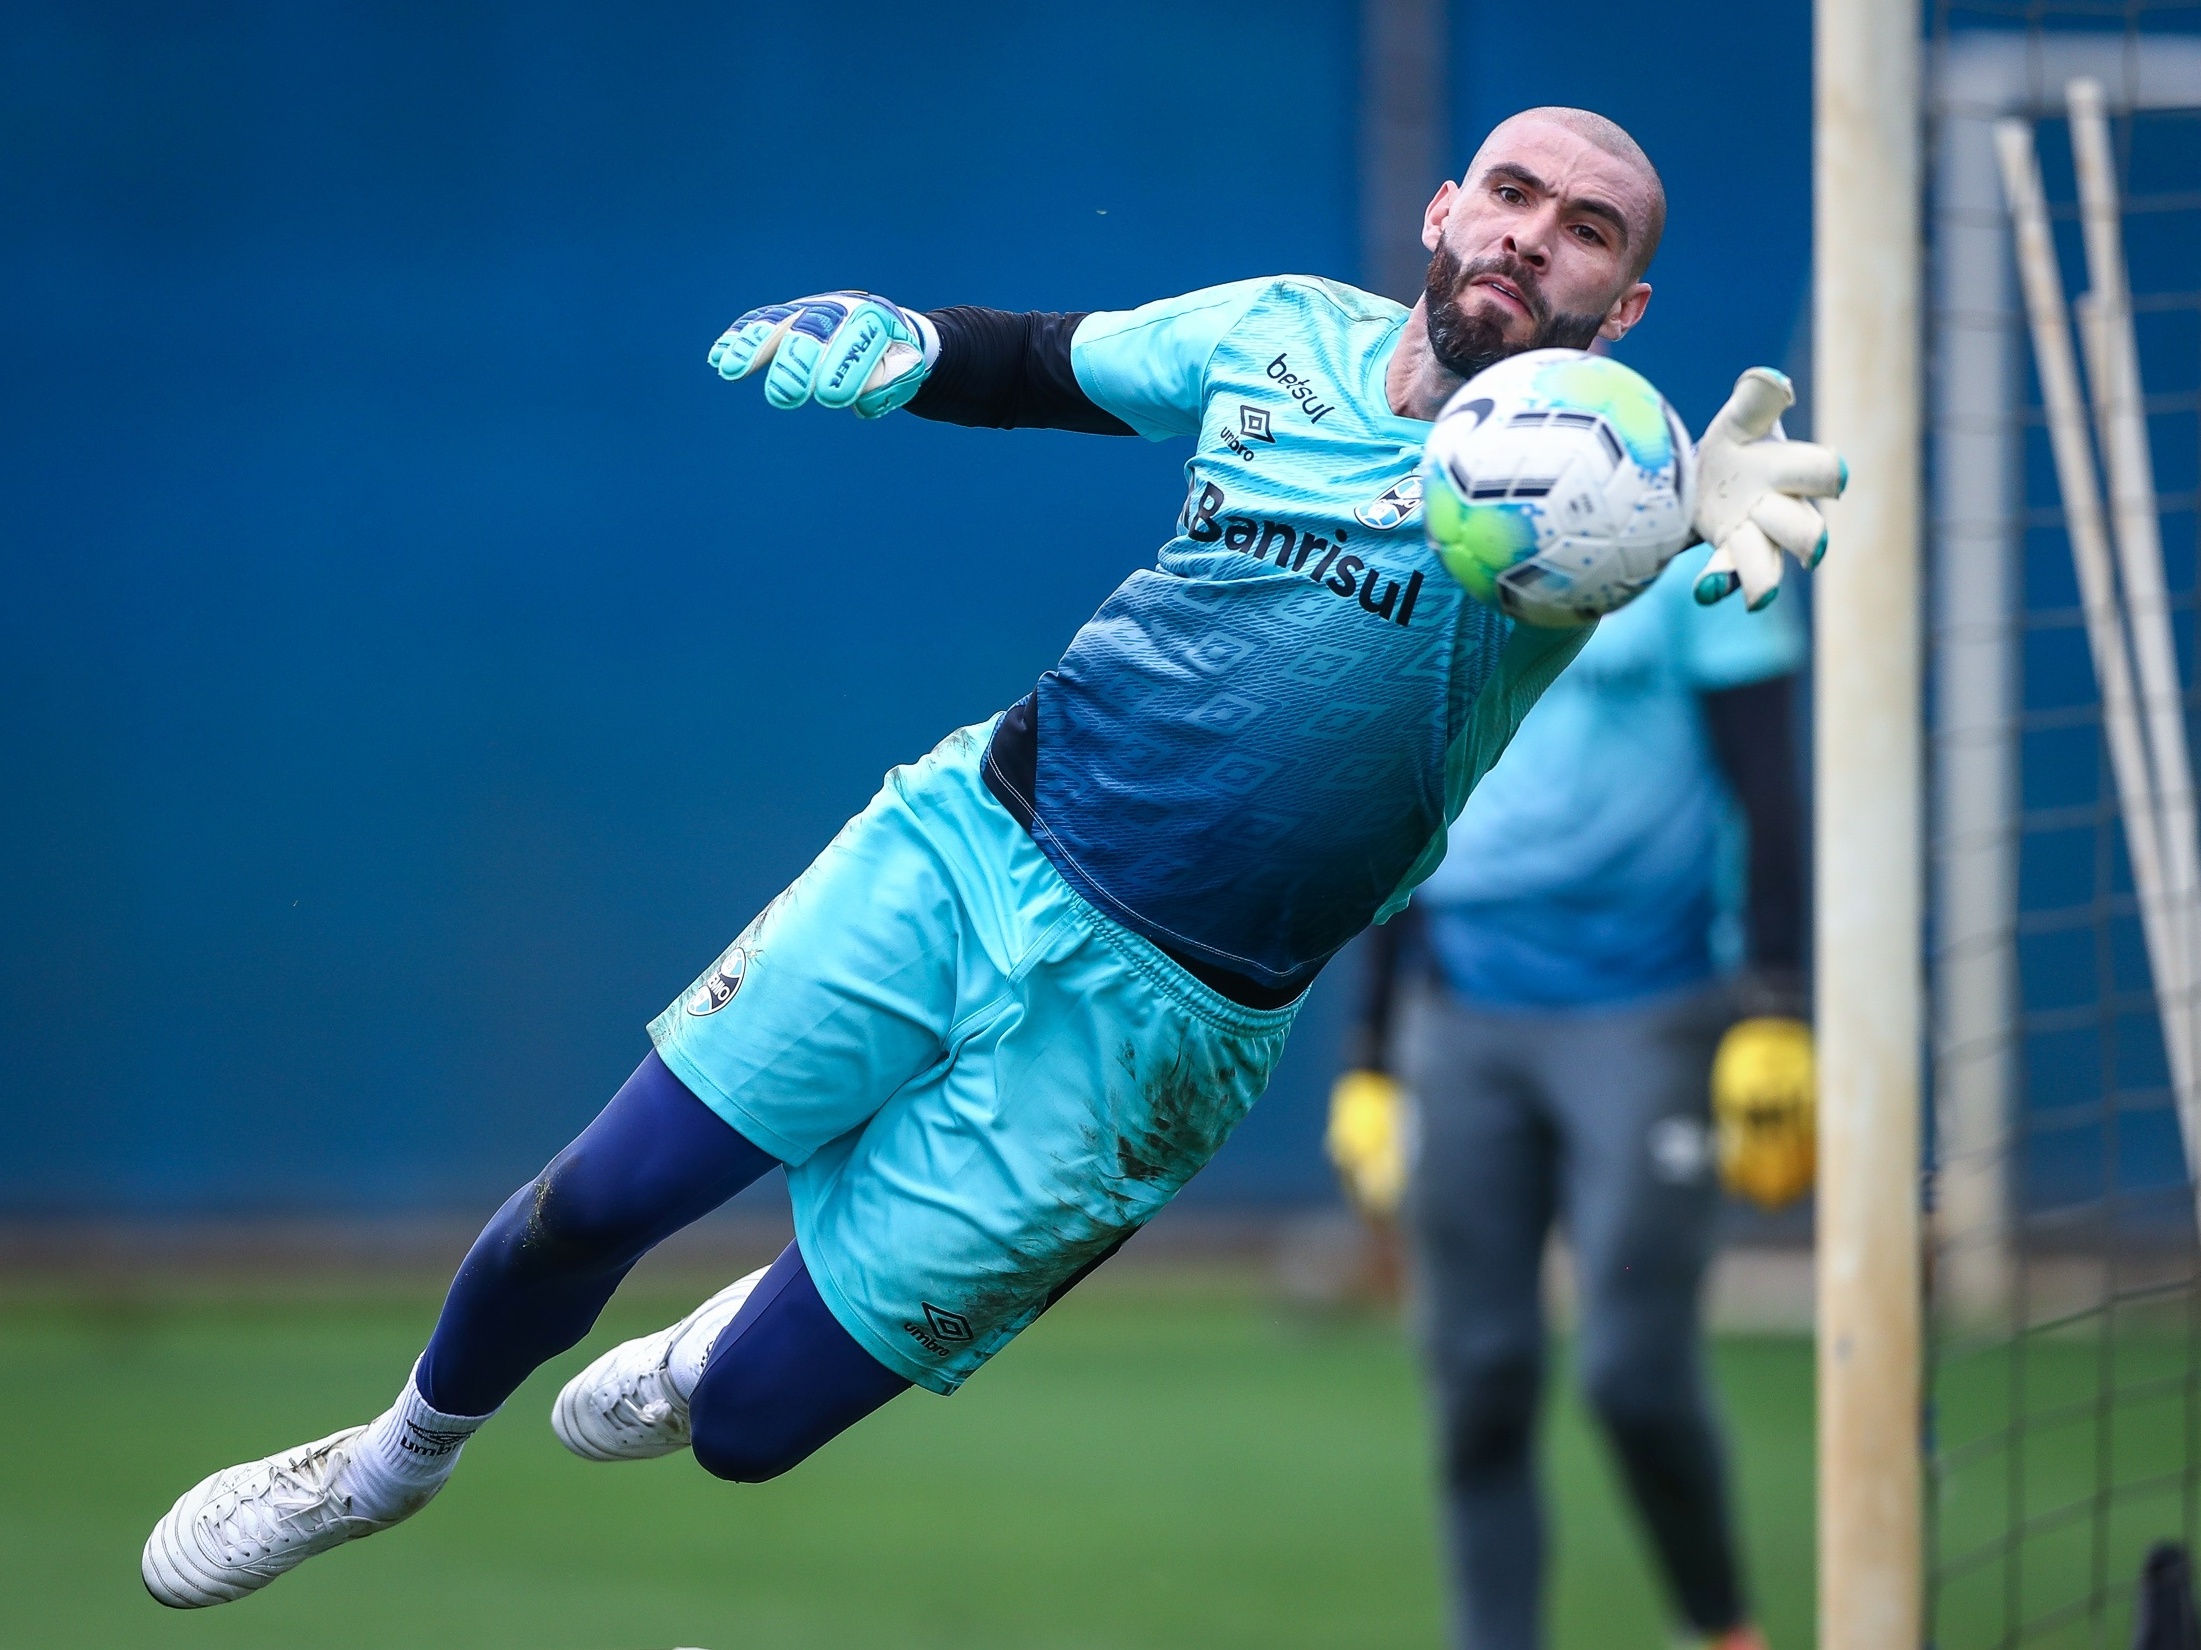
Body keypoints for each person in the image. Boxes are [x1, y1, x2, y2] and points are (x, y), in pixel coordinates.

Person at [140, 106, 1843, 1609]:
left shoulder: (1608, 491)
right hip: (974, 848)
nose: (1532, 235)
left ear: (1617, 313)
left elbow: (1654, 508)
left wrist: (1695, 487)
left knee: (739, 1434)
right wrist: (898, 339)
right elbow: (1045, 361)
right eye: (1516, 195)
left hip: (1163, 1035)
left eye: (1586, 233)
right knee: (593, 1202)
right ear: (1446, 213)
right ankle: (385, 1461)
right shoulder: (1275, 334)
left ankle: (723, 1342)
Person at [1328, 524, 1811, 1649]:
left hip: (1650, 1012)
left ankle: (1724, 1628)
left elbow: (1768, 786)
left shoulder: (1699, 527)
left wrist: (1777, 1009)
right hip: (1457, 1014)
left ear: (1615, 327)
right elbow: (1396, 803)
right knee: (1479, 1375)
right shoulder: (1430, 524)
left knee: (1631, 1373)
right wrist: (1369, 1058)